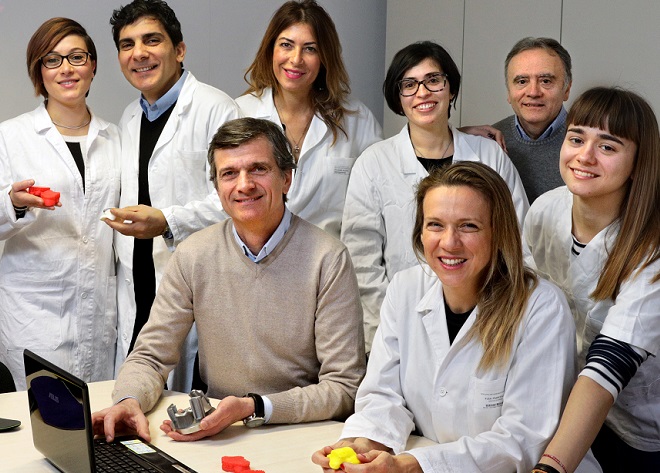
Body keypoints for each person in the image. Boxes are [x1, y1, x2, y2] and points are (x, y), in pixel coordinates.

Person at [92, 117, 366, 443]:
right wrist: (128, 400)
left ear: (287, 178)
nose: (244, 184)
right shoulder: (193, 254)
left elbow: (344, 386)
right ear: (217, 187)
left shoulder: (328, 258)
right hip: (218, 431)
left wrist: (255, 407)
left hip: (300, 432)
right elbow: (151, 356)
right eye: (229, 174)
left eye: (258, 169)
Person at [313, 162, 576, 472]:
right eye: (435, 225)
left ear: (498, 233)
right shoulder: (405, 289)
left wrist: (415, 465)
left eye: (469, 226)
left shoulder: (541, 308)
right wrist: (362, 444)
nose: (449, 242)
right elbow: (384, 394)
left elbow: (525, 440)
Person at [342, 41, 529, 351]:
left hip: (486, 320)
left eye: (433, 80)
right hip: (399, 326)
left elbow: (519, 239)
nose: (422, 93)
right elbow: (363, 264)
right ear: (397, 97)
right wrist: (388, 333)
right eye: (409, 84)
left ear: (450, 89)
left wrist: (501, 316)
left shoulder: (488, 155)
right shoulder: (373, 163)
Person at [105, 0, 241, 389]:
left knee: (188, 409)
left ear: (179, 49)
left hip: (197, 284)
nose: (139, 53)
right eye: (127, 44)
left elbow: (236, 200)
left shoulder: (217, 110)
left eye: (152, 40)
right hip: (140, 285)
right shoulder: (129, 117)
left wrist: (167, 220)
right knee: (138, 403)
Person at [525, 87, 660, 473]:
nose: (585, 156)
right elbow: (527, 301)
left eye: (608, 146)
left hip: (639, 424)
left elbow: (611, 363)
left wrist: (550, 468)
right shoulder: (546, 210)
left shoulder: (650, 245)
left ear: (638, 163)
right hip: (565, 403)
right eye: (577, 138)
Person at [0, 18, 120, 390]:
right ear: (39, 70)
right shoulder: (10, 136)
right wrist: (13, 205)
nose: (66, 68)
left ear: (94, 65)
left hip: (99, 309)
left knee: (97, 425)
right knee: (40, 426)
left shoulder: (114, 137)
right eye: (52, 60)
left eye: (77, 57)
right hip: (34, 314)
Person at [236, 0, 382, 238]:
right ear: (270, 49)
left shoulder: (357, 120)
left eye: (310, 48)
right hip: (256, 260)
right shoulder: (239, 113)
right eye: (286, 45)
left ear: (325, 57)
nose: (296, 59)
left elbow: (376, 202)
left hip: (329, 264)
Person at [493, 37, 572, 204]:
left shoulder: (588, 145)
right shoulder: (490, 143)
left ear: (567, 89)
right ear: (508, 92)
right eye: (522, 81)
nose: (533, 92)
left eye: (546, 81)